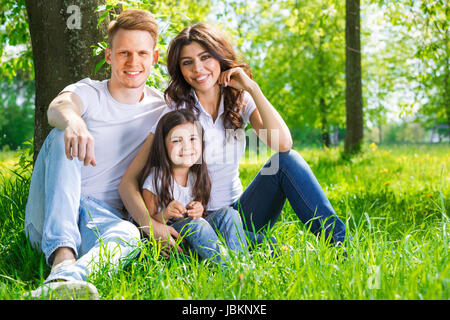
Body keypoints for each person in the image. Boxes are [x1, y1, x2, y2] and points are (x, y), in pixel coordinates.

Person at [119, 23, 347, 255]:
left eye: (205, 57)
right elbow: (128, 183)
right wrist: (152, 226)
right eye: (187, 62)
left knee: (288, 162)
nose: (198, 69)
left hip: (238, 214)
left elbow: (283, 144)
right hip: (195, 222)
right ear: (180, 69)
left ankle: (339, 245)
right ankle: (251, 246)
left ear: (219, 57)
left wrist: (252, 88)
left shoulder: (240, 100)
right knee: (249, 244)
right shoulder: (175, 113)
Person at [24, 9, 176, 299]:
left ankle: (62, 284)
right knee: (60, 135)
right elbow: (59, 106)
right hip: (49, 217)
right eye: (124, 53)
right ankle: (62, 257)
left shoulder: (162, 110)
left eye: (142, 53)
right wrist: (74, 121)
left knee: (131, 235)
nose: (133, 62)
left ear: (154, 58)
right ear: (109, 56)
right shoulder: (90, 92)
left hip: (100, 219)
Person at [139, 109, 247, 264]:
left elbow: (200, 216)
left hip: (200, 237)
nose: (186, 146)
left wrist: (199, 210)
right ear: (163, 144)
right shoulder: (156, 179)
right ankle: (229, 269)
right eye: (177, 140)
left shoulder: (196, 177)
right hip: (175, 242)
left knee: (229, 214)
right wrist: (165, 214)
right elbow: (146, 225)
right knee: (197, 225)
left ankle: (242, 264)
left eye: (192, 139)